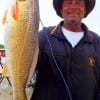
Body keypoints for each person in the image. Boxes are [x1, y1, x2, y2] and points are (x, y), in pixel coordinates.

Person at [31, 0, 100, 100]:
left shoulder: (97, 42)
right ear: (61, 9)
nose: (73, 7)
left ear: (85, 9)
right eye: (68, 2)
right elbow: (24, 62)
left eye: (78, 3)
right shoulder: (43, 37)